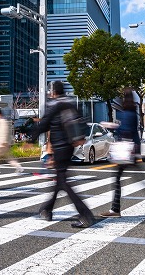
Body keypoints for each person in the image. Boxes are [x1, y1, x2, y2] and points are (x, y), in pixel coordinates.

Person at [100, 89, 145, 218]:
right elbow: (134, 132)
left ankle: (115, 209)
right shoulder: (133, 113)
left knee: (118, 179)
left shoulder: (126, 113)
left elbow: (126, 130)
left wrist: (113, 126)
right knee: (141, 180)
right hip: (131, 150)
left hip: (125, 151)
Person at [34, 81, 95, 228]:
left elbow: (45, 124)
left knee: (64, 183)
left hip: (60, 147)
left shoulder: (55, 104)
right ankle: (47, 209)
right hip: (69, 146)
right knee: (60, 180)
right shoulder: (70, 103)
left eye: (50, 91)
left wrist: (31, 137)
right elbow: (82, 122)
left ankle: (86, 215)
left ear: (53, 92)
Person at [0, 108, 22, 175]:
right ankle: (19, 167)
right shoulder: (3, 121)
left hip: (1, 143)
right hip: (4, 143)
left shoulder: (2, 121)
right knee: (9, 157)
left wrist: (2, 142)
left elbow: (4, 132)